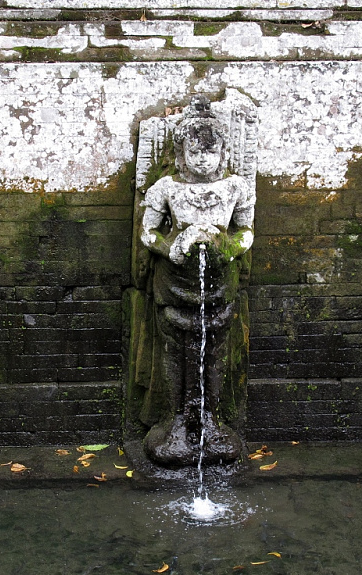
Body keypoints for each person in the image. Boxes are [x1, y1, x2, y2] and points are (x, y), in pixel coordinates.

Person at [137, 95, 254, 466]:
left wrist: (229, 248)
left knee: (215, 349)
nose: (203, 160)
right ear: (182, 153)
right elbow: (147, 233)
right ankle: (176, 418)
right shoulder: (166, 189)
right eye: (195, 152)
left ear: (223, 154)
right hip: (174, 283)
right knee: (175, 348)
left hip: (219, 281)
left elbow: (247, 231)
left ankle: (210, 419)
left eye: (211, 152)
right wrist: (170, 247)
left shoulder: (236, 188)